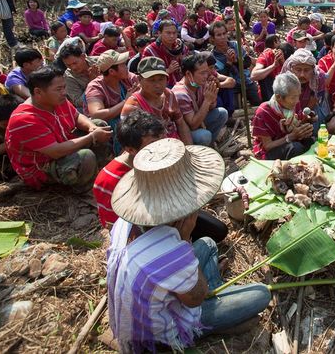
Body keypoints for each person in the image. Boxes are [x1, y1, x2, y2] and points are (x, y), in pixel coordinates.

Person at [106, 137, 270, 352]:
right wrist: (184, 240)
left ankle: (202, 287)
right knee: (261, 293)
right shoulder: (172, 250)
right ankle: (204, 327)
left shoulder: (123, 222)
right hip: (161, 334)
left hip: (149, 306)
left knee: (208, 243)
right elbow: (195, 299)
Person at [5, 66, 112, 189]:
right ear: (38, 92)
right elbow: (56, 152)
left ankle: (97, 172)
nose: (64, 92)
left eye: (64, 87)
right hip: (43, 166)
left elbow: (77, 117)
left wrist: (92, 128)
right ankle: (83, 188)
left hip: (61, 147)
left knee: (99, 125)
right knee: (85, 157)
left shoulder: (56, 100)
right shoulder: (25, 119)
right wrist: (92, 136)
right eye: (58, 89)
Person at [121, 57, 192, 144]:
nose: (158, 85)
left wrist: (188, 149)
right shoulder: (133, 105)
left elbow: (180, 123)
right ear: (139, 79)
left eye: (161, 79)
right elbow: (133, 143)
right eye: (152, 80)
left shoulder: (168, 94)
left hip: (174, 143)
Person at [84, 50, 139, 152]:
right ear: (112, 72)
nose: (126, 66)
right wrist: (125, 102)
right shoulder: (95, 87)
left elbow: (142, 84)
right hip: (109, 130)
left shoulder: (127, 78)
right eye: (122, 65)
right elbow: (96, 114)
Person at [252, 73, 315, 160]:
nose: (297, 101)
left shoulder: (293, 104)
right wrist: (291, 136)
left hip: (289, 141)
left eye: (298, 96)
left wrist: (306, 124)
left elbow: (299, 121)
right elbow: (267, 146)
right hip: (268, 153)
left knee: (311, 142)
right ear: (279, 97)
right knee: (295, 148)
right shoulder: (263, 112)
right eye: (293, 98)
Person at [173, 54, 229, 147]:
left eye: (206, 72)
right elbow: (192, 125)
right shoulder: (180, 94)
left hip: (199, 120)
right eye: (202, 73)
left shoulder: (199, 83)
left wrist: (212, 100)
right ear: (188, 74)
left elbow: (211, 107)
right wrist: (207, 101)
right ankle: (198, 151)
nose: (206, 76)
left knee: (222, 113)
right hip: (185, 132)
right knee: (204, 136)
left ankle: (209, 146)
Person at [210, 21, 261, 106]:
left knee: (257, 103)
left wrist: (236, 60)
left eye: (224, 33)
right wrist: (229, 62)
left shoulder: (235, 45)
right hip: (231, 87)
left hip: (246, 81)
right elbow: (220, 75)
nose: (223, 37)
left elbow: (247, 62)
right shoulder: (212, 57)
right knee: (234, 109)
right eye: (219, 35)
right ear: (212, 38)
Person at [280, 48, 328, 126]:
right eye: (298, 70)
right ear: (292, 69)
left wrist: (303, 119)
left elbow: (314, 99)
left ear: (312, 69)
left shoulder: (319, 76)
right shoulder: (285, 78)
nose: (302, 75)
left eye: (306, 70)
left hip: (311, 108)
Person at [143, 20, 188, 87]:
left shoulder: (182, 47)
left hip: (183, 85)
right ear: (159, 33)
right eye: (168, 33)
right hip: (161, 89)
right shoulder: (150, 51)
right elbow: (146, 74)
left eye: (174, 33)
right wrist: (167, 71)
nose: (172, 36)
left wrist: (184, 62)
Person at [251, 35, 292, 101]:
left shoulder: (292, 58)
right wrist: (273, 66)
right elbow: (254, 76)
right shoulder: (266, 55)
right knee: (265, 78)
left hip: (285, 89)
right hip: (269, 92)